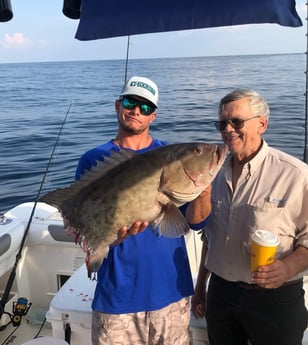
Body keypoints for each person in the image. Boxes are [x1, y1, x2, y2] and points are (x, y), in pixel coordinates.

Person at [74, 76, 212, 345]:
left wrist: (204, 189)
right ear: (117, 105)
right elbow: (83, 230)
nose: (137, 110)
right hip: (117, 296)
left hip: (171, 292)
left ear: (154, 116)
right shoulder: (93, 160)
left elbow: (195, 223)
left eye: (146, 107)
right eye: (131, 102)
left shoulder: (171, 155)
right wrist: (113, 239)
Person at [191, 89, 308, 345]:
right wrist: (201, 285)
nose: (228, 129)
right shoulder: (214, 174)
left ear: (262, 124)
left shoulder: (293, 174)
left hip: (275, 299)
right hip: (221, 294)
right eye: (222, 123)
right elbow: (209, 238)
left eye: (237, 121)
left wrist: (287, 268)